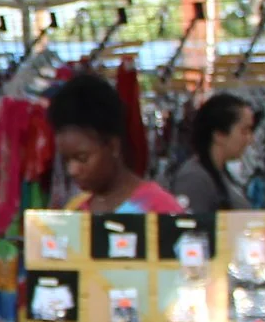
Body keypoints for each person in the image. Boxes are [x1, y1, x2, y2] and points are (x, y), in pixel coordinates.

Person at [48, 69, 183, 215]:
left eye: (82, 158)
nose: (72, 170)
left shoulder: (160, 210)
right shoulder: (75, 210)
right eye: (66, 160)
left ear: (113, 146)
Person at [165, 91, 256, 212]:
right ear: (219, 135)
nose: (250, 139)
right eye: (244, 131)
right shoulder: (195, 179)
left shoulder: (220, 173)